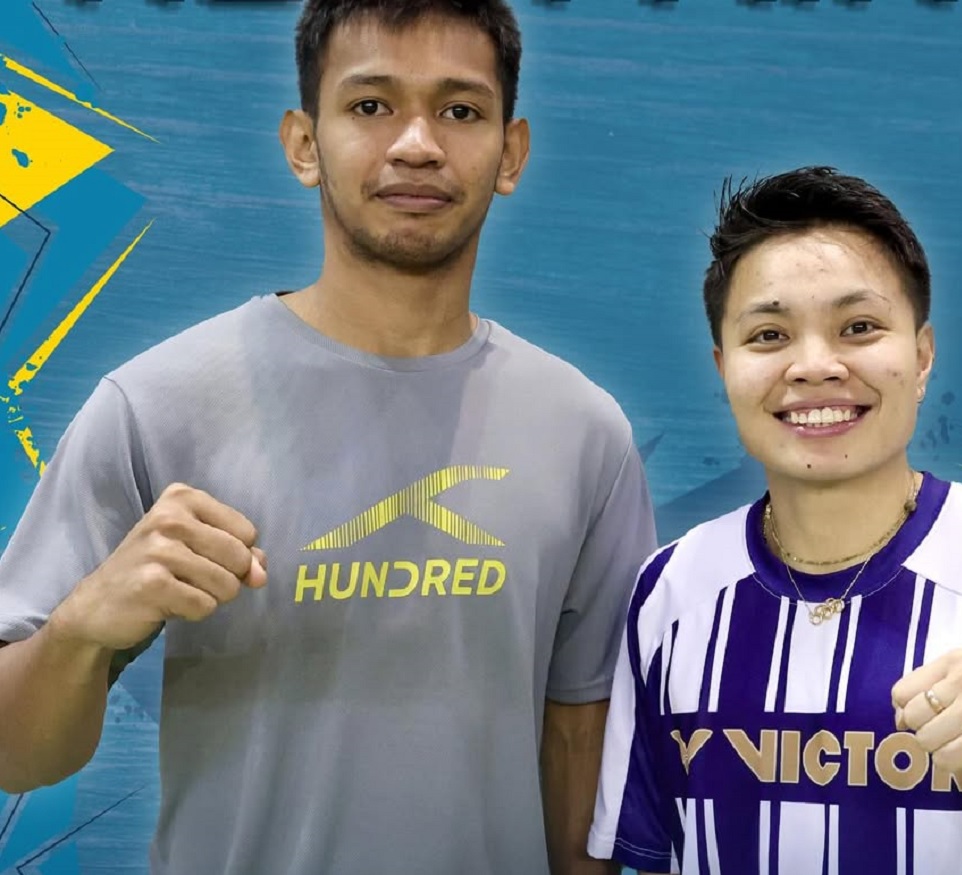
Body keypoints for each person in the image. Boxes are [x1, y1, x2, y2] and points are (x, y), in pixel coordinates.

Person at [0, 1, 657, 873]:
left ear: (511, 151)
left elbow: (582, 751)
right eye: (371, 105)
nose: (417, 144)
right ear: (304, 143)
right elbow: (16, 756)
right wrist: (80, 630)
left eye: (460, 110)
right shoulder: (155, 405)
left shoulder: (584, 434)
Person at [587, 166, 962, 874]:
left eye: (859, 327)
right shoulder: (670, 592)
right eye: (769, 334)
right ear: (724, 367)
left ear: (922, 355)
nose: (814, 366)